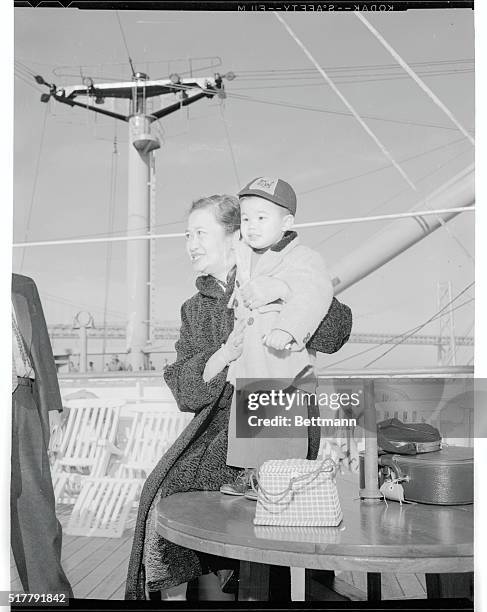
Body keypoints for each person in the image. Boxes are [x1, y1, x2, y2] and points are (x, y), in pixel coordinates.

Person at [125, 195, 352, 601]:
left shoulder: (284, 269)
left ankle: (256, 587)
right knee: (171, 490)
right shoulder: (194, 308)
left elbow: (335, 332)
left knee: (231, 500)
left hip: (274, 408)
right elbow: (183, 387)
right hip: (217, 423)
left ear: (235, 238)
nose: (190, 244)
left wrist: (281, 292)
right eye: (187, 234)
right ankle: (217, 588)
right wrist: (225, 353)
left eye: (200, 233)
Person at [224, 177, 334, 473]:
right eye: (246, 218)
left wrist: (288, 329)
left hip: (283, 365)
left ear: (286, 222)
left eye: (262, 217)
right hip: (249, 362)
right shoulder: (243, 258)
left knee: (283, 428)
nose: (251, 225)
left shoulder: (302, 258)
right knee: (249, 428)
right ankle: (249, 474)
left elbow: (314, 294)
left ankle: (283, 478)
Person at [11, 273, 73, 597]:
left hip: (19, 402)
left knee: (35, 511)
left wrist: (53, 409)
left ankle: (47, 599)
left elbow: (44, 353)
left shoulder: (23, 285)